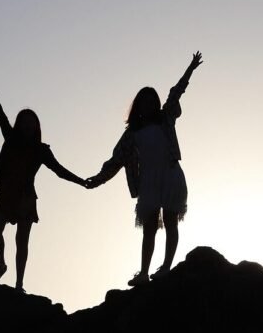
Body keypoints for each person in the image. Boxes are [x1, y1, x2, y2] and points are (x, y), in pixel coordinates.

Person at [87, 52, 203, 287]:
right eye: (145, 101)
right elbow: (116, 160)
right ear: (138, 106)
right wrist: (97, 180)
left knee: (171, 221)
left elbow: (176, 92)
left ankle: (167, 267)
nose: (150, 104)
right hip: (148, 181)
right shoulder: (132, 134)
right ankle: (143, 273)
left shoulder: (166, 118)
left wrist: (190, 69)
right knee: (149, 228)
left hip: (170, 174)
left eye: (153, 100)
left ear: (157, 103)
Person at [0, 68, 86, 292]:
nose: (28, 127)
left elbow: (59, 170)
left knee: (22, 242)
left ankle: (19, 284)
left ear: (37, 128)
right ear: (19, 125)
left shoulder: (41, 150)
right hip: (6, 193)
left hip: (26, 197)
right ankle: (1, 263)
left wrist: (81, 181)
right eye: (24, 123)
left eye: (32, 124)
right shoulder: (10, 138)